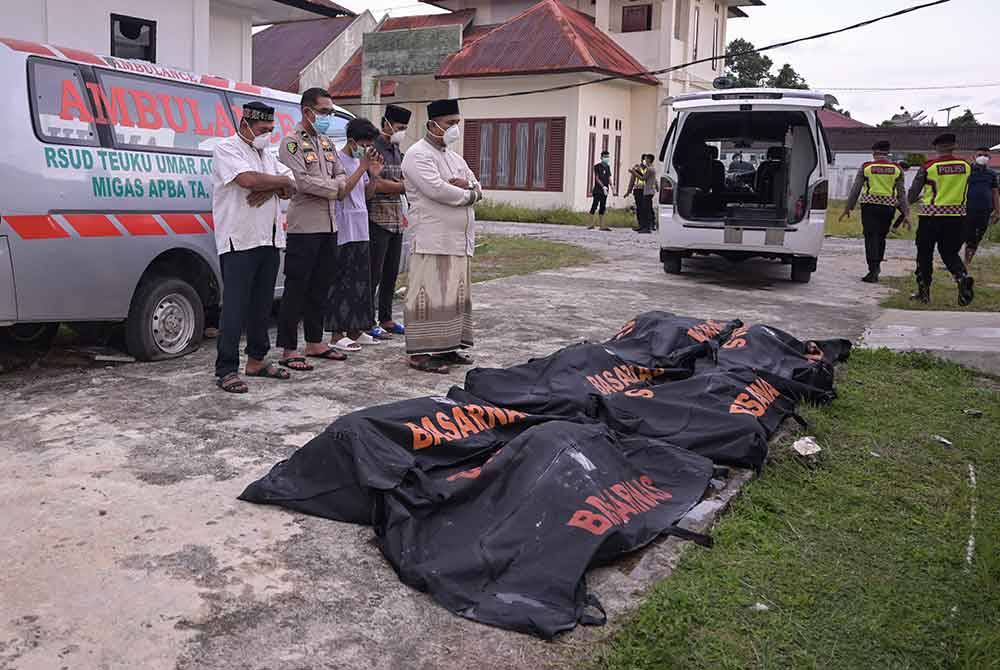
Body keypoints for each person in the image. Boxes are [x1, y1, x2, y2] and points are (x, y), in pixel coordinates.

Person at [211, 101, 295, 393]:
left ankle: (257, 360)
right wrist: (275, 184)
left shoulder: (267, 155)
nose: (268, 134)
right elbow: (247, 180)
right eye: (263, 129)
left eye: (271, 129)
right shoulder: (227, 148)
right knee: (235, 307)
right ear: (245, 124)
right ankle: (226, 369)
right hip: (240, 239)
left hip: (270, 238)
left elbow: (292, 184)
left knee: (262, 304)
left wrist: (271, 185)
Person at [400, 98, 482, 374]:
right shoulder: (417, 154)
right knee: (429, 293)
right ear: (432, 124)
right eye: (450, 123)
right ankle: (419, 353)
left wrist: (469, 189)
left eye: (457, 123)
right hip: (432, 236)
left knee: (453, 294)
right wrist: (469, 193)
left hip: (458, 239)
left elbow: (477, 186)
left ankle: (447, 347)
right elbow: (437, 190)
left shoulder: (454, 157)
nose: (454, 129)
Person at [275, 87, 348, 370]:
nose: (328, 116)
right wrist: (336, 189)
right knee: (297, 288)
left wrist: (335, 185)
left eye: (330, 112)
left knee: (321, 285)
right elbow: (301, 182)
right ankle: (289, 349)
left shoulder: (327, 143)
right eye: (324, 111)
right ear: (307, 111)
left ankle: (315, 341)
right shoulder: (291, 143)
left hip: (329, 224)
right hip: (304, 226)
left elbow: (340, 172)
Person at [326, 118, 384, 352]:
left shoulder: (362, 162)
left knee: (360, 281)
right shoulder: (338, 160)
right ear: (352, 141)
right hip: (343, 227)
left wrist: (375, 175)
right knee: (340, 281)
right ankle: (336, 333)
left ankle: (355, 328)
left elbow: (368, 194)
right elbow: (342, 192)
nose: (368, 148)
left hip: (361, 226)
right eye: (365, 143)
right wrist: (362, 167)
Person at [906, 132, 975, 305]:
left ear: (936, 147)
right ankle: (962, 277)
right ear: (954, 147)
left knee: (924, 254)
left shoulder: (929, 166)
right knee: (950, 252)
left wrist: (916, 198)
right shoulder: (966, 166)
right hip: (957, 217)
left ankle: (924, 293)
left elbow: (912, 195)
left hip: (931, 217)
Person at [367, 104, 411, 339]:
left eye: (404, 128)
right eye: (399, 127)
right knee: (373, 273)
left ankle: (386, 318)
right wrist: (403, 186)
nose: (401, 131)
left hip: (396, 219)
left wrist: (401, 184)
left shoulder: (397, 150)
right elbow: (378, 184)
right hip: (377, 218)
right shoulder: (374, 149)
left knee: (391, 273)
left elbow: (403, 178)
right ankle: (368, 320)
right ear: (386, 123)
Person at [840, 141, 910, 283]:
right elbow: (901, 193)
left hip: (869, 206)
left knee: (870, 236)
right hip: (888, 207)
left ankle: (872, 270)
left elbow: (856, 189)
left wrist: (849, 207)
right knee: (881, 237)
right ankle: (877, 266)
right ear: (888, 152)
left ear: (874, 152)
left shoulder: (867, 167)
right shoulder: (897, 169)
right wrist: (906, 213)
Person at [964, 146, 999, 265]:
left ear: (989, 158)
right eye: (979, 155)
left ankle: (967, 263)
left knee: (977, 237)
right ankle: (955, 262)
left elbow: (995, 193)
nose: (982, 158)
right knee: (964, 234)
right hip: (967, 209)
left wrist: (997, 211)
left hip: (985, 210)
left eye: (985, 155)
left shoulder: (992, 174)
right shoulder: (967, 171)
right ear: (974, 157)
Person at [628, 153, 658, 233]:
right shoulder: (648, 168)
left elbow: (643, 178)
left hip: (647, 191)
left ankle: (648, 227)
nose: (645, 160)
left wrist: (633, 172)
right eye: (644, 159)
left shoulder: (649, 169)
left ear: (649, 160)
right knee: (642, 209)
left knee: (647, 209)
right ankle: (643, 226)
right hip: (641, 190)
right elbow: (633, 180)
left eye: (646, 159)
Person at [588, 150, 612, 231]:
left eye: (607, 157)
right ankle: (591, 224)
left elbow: (609, 177)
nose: (607, 158)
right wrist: (603, 186)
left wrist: (612, 186)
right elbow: (597, 178)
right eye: (605, 157)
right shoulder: (597, 166)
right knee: (594, 205)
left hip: (605, 191)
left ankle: (602, 225)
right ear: (601, 157)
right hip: (598, 190)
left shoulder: (608, 167)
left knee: (603, 206)